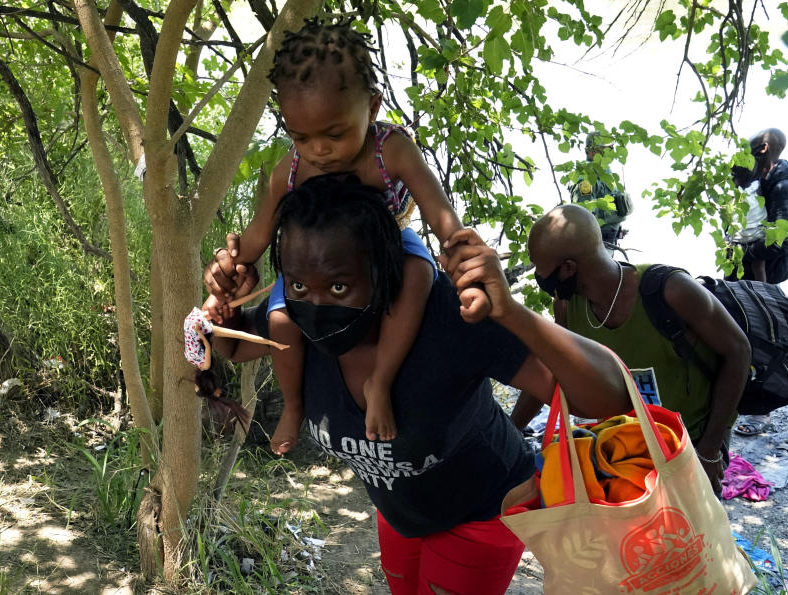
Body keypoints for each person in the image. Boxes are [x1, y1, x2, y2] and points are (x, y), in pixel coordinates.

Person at [207, 175, 630, 595]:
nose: (315, 305)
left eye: (339, 286)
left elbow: (609, 397)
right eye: (298, 284)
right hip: (400, 514)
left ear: (385, 271)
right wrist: (219, 306)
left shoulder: (451, 317)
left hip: (482, 511)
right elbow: (230, 346)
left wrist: (513, 313)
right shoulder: (294, 328)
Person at [202, 19, 489, 454]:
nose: (319, 149)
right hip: (316, 266)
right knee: (281, 318)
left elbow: (441, 216)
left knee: (417, 275)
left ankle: (380, 380)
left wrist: (464, 256)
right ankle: (294, 405)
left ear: (371, 108)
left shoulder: (390, 149)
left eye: (334, 133)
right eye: (301, 136)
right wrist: (226, 269)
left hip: (386, 248)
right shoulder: (291, 169)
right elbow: (257, 237)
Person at [510, 204, 751, 494]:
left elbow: (738, 351)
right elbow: (550, 369)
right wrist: (509, 432)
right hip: (628, 448)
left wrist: (710, 450)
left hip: (693, 443)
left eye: (541, 269)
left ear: (569, 268)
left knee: (694, 533)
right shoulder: (567, 306)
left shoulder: (670, 291)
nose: (538, 276)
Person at [730, 128, 788, 284]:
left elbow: (782, 241)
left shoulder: (784, 187)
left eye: (747, 148)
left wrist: (740, 251)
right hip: (742, 279)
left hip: (763, 283)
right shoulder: (757, 181)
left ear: (763, 148)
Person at [569, 131, 632, 251]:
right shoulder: (585, 176)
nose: (611, 151)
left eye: (611, 148)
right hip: (593, 246)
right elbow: (582, 215)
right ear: (593, 151)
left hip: (608, 245)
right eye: (607, 148)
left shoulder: (608, 174)